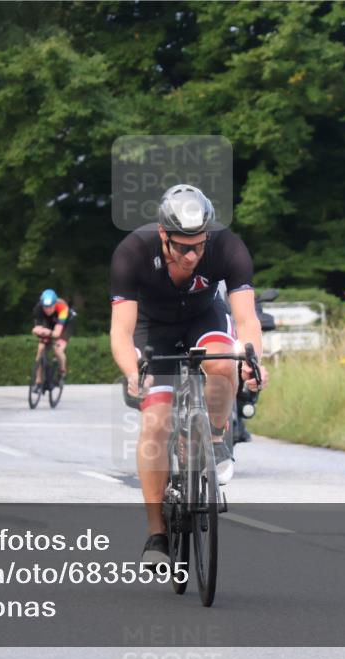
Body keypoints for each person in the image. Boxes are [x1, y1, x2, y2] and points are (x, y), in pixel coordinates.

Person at [109, 184, 269, 565]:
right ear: (163, 234)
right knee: (156, 421)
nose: (192, 255)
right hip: (153, 328)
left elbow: (247, 320)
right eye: (182, 247)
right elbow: (121, 331)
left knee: (225, 364)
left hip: (203, 318)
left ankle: (215, 438)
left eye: (199, 245)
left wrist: (251, 361)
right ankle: (157, 535)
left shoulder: (227, 248)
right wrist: (133, 372)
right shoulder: (132, 252)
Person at [31, 289, 74, 382]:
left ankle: (62, 372)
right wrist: (38, 331)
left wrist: (47, 332)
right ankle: (38, 380)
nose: (48, 310)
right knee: (41, 348)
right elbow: (37, 328)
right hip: (50, 323)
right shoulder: (38, 308)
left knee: (58, 349)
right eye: (45, 307)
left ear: (55, 304)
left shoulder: (62, 307)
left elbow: (57, 333)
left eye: (50, 307)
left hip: (65, 325)